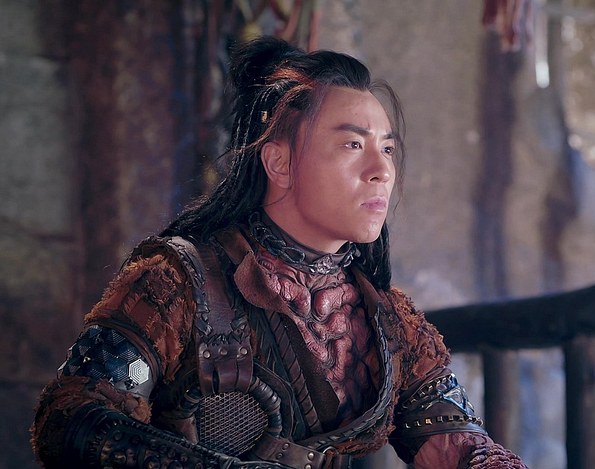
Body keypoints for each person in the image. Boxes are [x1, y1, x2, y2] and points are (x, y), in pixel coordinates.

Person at [30, 36, 527, 469]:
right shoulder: (175, 281)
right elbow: (71, 422)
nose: (382, 170)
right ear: (280, 162)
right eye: (353, 145)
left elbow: (454, 443)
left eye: (388, 149)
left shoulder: (390, 320)